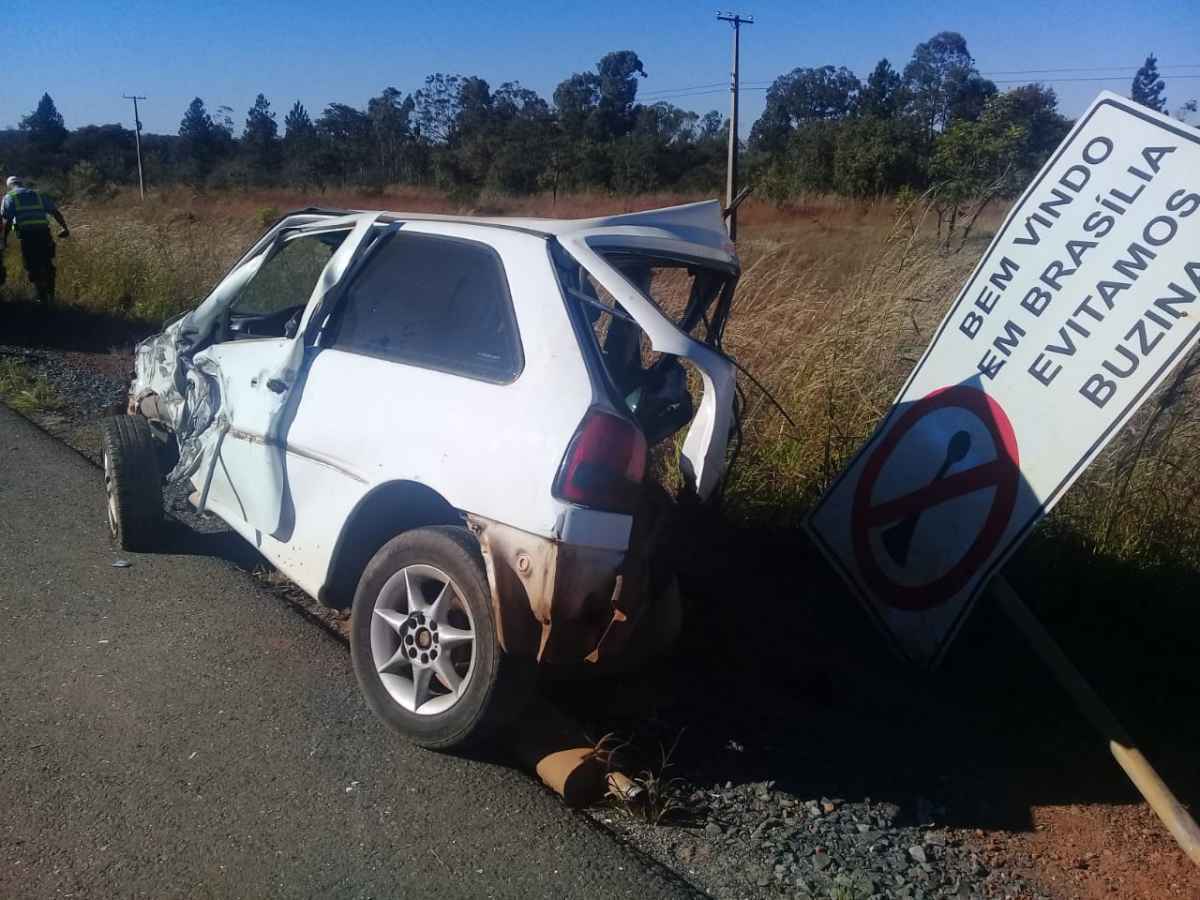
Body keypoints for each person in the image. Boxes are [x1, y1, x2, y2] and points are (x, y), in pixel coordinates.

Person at [1, 176, 69, 303]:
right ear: (21, 183)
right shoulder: (37, 195)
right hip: (44, 234)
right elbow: (55, 212)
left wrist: (4, 240)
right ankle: (51, 296)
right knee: (47, 263)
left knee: (32, 265)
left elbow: (7, 221)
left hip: (28, 237)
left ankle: (40, 297)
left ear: (9, 186)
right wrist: (65, 228)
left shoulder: (10, 197)